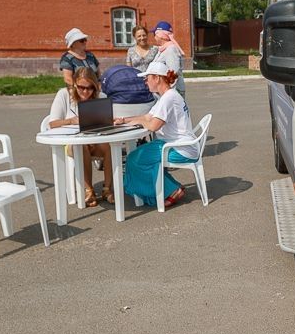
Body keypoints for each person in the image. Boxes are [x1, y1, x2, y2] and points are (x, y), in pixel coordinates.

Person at [117, 60, 196, 208]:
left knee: (134, 159)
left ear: (157, 78)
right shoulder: (167, 96)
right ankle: (171, 188)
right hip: (180, 144)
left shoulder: (168, 98)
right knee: (138, 156)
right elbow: (147, 117)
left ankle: (170, 190)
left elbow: (153, 126)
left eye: (147, 78)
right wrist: (124, 120)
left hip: (180, 149)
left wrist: (138, 123)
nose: (145, 82)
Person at [47, 67, 114, 206]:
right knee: (81, 147)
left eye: (90, 88)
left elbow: (106, 122)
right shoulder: (64, 95)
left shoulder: (100, 97)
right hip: (73, 143)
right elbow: (52, 123)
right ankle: (89, 190)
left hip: (96, 140)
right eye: (81, 87)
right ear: (75, 84)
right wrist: (70, 121)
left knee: (110, 147)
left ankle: (107, 189)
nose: (85, 92)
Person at [150, 20, 188, 102]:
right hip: (164, 91)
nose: (154, 37)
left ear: (160, 35)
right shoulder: (164, 49)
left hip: (171, 92)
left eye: (154, 34)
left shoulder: (171, 50)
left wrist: (168, 93)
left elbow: (174, 72)